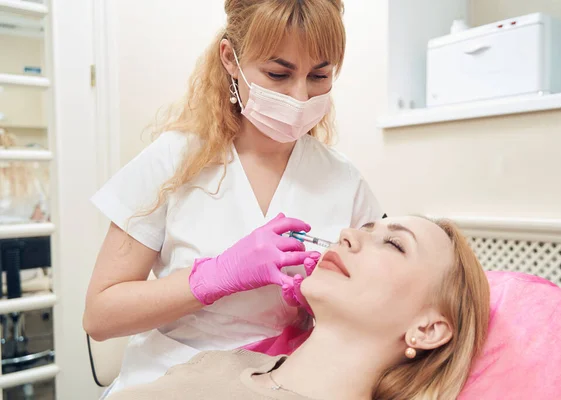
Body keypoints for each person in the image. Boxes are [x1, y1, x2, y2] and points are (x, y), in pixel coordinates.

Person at [83, 0, 383, 395]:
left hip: (286, 381)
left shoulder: (344, 181)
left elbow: (377, 308)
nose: (299, 96)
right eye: (279, 73)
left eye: (319, 76)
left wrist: (317, 305)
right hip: (171, 380)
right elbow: (100, 316)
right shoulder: (174, 160)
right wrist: (214, 277)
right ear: (230, 59)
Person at [107, 216, 491, 400]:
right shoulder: (229, 362)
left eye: (394, 244)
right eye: (367, 228)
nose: (348, 234)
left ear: (427, 329)